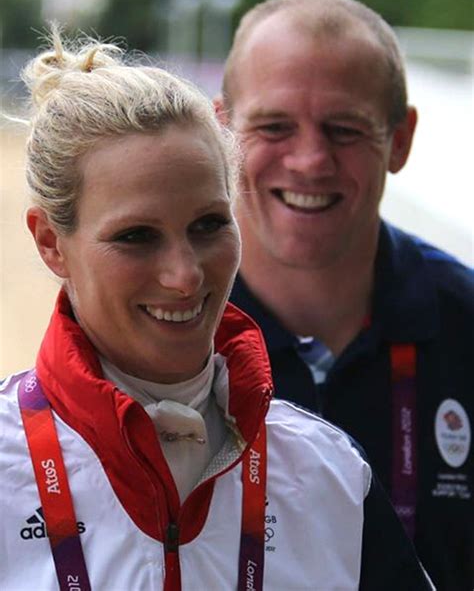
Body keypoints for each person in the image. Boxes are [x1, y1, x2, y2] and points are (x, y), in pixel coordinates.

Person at [0, 30, 435, 591]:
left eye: (208, 225)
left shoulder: (332, 476)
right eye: (136, 236)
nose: (185, 276)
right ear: (51, 243)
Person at [214, 0, 474, 591]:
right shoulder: (159, 335)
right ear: (223, 131)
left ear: (401, 139)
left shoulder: (464, 326)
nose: (309, 161)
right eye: (275, 126)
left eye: (345, 129)